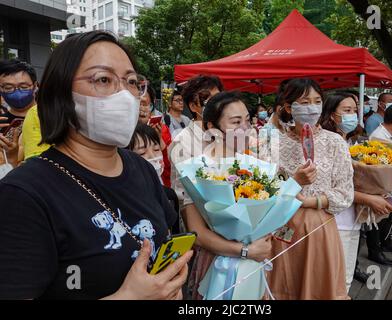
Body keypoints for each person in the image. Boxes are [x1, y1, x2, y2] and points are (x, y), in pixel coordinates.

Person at [0, 31, 192, 300]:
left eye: (132, 82)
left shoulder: (142, 170)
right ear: (61, 92)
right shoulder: (24, 193)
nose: (124, 95)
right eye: (103, 79)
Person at [169, 91, 272, 299]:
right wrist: (244, 250)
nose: (245, 128)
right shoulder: (198, 170)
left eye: (247, 120)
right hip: (217, 266)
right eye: (236, 122)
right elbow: (197, 232)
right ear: (212, 128)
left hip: (253, 264)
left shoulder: (257, 167)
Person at [260, 78, 353, 300]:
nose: (312, 107)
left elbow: (345, 192)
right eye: (304, 102)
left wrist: (313, 201)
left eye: (317, 101)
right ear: (289, 107)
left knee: (318, 287)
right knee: (284, 285)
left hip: (319, 226)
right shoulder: (273, 142)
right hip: (282, 227)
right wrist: (294, 179)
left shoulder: (335, 142)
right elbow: (266, 183)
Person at [319, 92, 392, 292]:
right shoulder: (326, 144)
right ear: (330, 113)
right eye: (346, 110)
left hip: (353, 220)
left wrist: (377, 189)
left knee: (345, 280)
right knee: (334, 282)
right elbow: (328, 189)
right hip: (335, 222)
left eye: (354, 110)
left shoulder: (351, 143)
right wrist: (369, 198)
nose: (352, 115)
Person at [365, 104, 392, 266]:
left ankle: (386, 241)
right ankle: (375, 251)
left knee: (390, 213)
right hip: (378, 185)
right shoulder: (378, 137)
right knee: (376, 218)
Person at [0, 60, 38, 167]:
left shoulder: (52, 117)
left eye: (24, 87)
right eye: (8, 88)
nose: (17, 92)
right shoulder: (1, 122)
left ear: (34, 86)